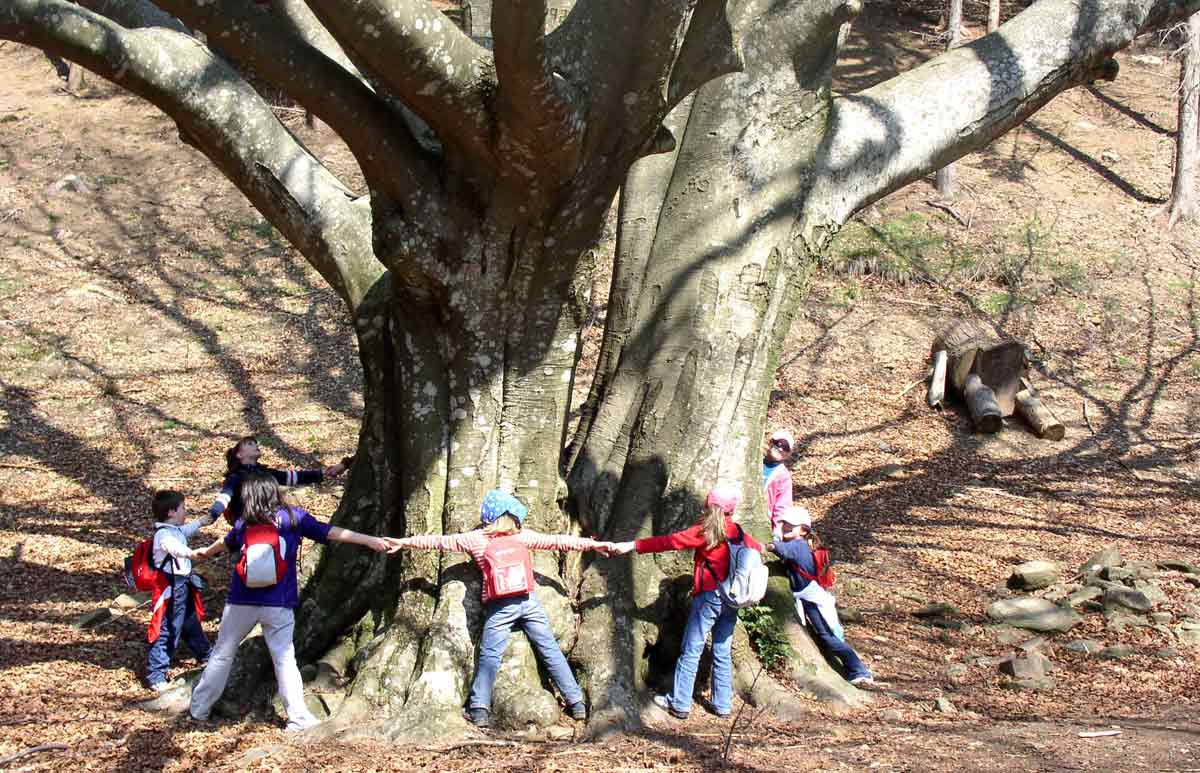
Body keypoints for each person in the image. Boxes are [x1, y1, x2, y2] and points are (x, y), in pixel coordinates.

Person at [189, 471, 397, 731]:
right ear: (274, 492)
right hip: (279, 603)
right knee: (284, 660)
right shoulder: (293, 518)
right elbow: (330, 532)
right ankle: (298, 718)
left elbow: (225, 542)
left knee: (222, 654)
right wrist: (370, 541)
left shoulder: (244, 522)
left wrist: (204, 552)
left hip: (241, 601)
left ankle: (199, 709)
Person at [388, 489, 611, 728]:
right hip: (528, 601)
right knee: (550, 650)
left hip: (500, 605)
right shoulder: (521, 537)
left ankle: (479, 709)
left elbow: (439, 542)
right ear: (510, 517)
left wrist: (403, 542)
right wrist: (591, 544)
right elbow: (557, 541)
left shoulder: (475, 539)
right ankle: (576, 702)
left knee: (490, 656)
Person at [609, 485, 763, 720]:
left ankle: (679, 702)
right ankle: (722, 705)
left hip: (708, 598)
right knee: (722, 650)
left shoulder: (706, 532)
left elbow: (670, 541)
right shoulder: (738, 532)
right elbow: (758, 547)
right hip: (732, 600)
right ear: (732, 510)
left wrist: (632, 545)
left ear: (708, 505)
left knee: (692, 648)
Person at [769, 505, 873, 686]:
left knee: (829, 636)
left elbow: (782, 550)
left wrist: (765, 546)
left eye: (791, 525)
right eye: (784, 523)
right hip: (807, 597)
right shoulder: (797, 544)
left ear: (803, 530)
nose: (786, 527)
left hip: (813, 599)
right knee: (825, 636)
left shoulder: (798, 546)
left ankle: (859, 670)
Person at [146, 490, 215, 691]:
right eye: (183, 508)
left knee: (189, 621)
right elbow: (174, 547)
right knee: (168, 627)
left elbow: (186, 530)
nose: (186, 511)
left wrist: (202, 522)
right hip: (171, 588)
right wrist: (191, 553)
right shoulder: (163, 535)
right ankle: (156, 674)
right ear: (171, 512)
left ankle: (205, 654)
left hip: (183, 585)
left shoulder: (174, 530)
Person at [208, 436, 348, 525]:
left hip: (269, 522)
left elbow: (293, 477)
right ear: (239, 454)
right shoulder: (235, 477)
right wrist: (213, 515)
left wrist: (323, 473)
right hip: (245, 526)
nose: (255, 445)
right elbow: (224, 497)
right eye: (250, 443)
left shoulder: (266, 473)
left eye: (255, 443)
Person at [763, 428, 795, 538]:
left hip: (762, 520)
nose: (780, 448)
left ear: (788, 454)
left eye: (785, 448)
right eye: (778, 443)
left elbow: (783, 505)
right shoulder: (755, 461)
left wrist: (778, 532)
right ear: (770, 443)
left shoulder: (783, 475)